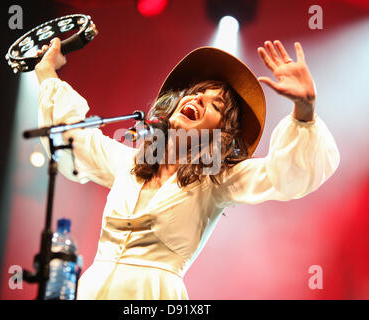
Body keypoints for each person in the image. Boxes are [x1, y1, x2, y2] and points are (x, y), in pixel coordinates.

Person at [34, 38, 339, 299]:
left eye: (216, 105)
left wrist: (305, 110)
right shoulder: (127, 163)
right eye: (196, 93)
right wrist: (47, 73)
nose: (198, 99)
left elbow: (285, 174)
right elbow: (71, 138)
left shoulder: (217, 181)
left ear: (221, 133)